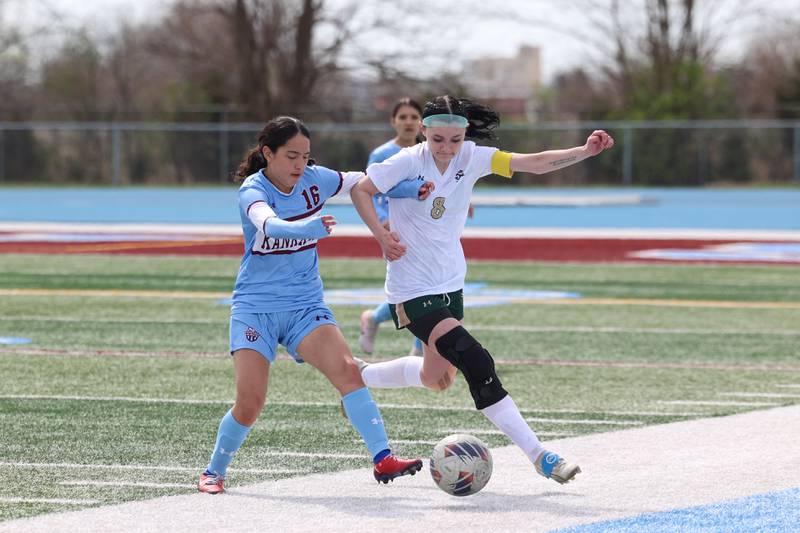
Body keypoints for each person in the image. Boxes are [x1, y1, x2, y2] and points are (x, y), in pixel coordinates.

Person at [350, 95, 615, 485]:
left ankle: (357, 376)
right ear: (424, 131)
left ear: (464, 135)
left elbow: (534, 162)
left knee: (435, 378)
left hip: (451, 283)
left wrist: (585, 151)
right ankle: (541, 455)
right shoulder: (407, 160)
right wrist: (381, 235)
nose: (446, 148)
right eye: (438, 139)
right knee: (476, 360)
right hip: (411, 287)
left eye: (454, 140)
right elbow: (361, 190)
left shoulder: (473, 156)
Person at [198, 116, 434, 494]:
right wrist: (303, 228)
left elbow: (362, 182)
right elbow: (268, 223)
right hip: (255, 308)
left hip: (305, 304)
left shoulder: (315, 179)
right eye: (291, 156)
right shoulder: (252, 189)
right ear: (267, 153)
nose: (300, 165)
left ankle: (383, 457)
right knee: (250, 403)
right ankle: (213, 471)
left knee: (347, 371)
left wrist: (409, 188)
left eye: (306, 157)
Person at [358, 97, 426, 358]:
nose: (408, 122)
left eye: (413, 117)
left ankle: (376, 320)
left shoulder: (427, 151)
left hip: (424, 229)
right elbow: (368, 191)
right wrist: (382, 222)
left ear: (421, 123)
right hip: (395, 232)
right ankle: (418, 349)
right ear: (393, 121)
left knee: (427, 287)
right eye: (403, 117)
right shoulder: (382, 154)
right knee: (415, 289)